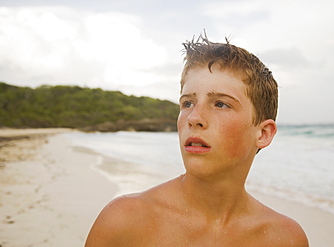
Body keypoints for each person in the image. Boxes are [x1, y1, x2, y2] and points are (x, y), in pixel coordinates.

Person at [85, 34, 309, 246]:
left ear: (263, 133)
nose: (194, 118)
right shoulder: (125, 220)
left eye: (221, 104)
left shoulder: (284, 238)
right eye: (188, 103)